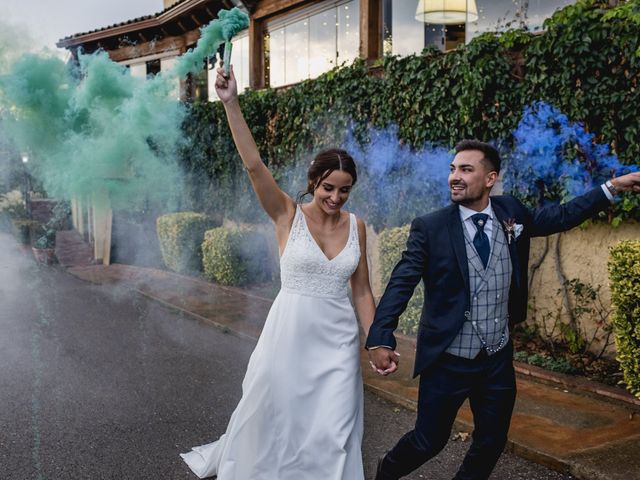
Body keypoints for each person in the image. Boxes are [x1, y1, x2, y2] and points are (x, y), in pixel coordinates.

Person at [366, 139, 640, 480]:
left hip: (496, 359)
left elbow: (562, 216)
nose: (455, 176)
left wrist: (613, 186)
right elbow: (401, 282)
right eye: (453, 169)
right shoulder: (431, 226)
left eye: (466, 169)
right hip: (448, 360)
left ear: (490, 178)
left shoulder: (511, 211)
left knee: (492, 441)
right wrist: (381, 336)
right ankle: (384, 473)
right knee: (428, 441)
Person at [180, 64, 378, 479]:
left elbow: (361, 292)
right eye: (328, 188)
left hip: (338, 342)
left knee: (335, 427)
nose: (335, 197)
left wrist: (376, 341)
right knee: (275, 414)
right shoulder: (287, 214)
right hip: (288, 335)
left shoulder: (357, 226)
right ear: (313, 182)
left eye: (344, 190)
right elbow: (254, 166)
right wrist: (231, 103)